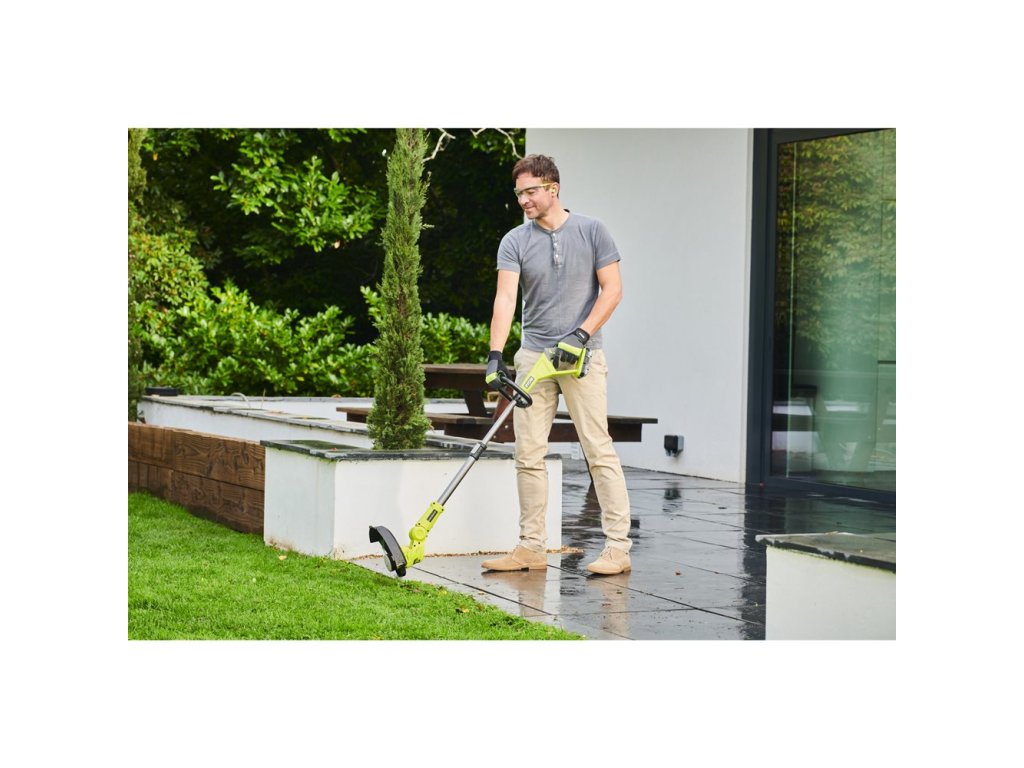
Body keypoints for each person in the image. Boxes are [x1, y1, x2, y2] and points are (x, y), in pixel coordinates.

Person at [482, 154, 632, 576]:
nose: (523, 200)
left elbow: (612, 290)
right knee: (528, 453)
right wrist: (495, 355)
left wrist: (581, 334)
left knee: (597, 447)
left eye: (530, 191)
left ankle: (618, 549)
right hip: (534, 356)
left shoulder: (592, 230)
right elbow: (505, 299)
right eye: (519, 194)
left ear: (553, 188)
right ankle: (531, 547)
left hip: (583, 356)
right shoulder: (514, 241)